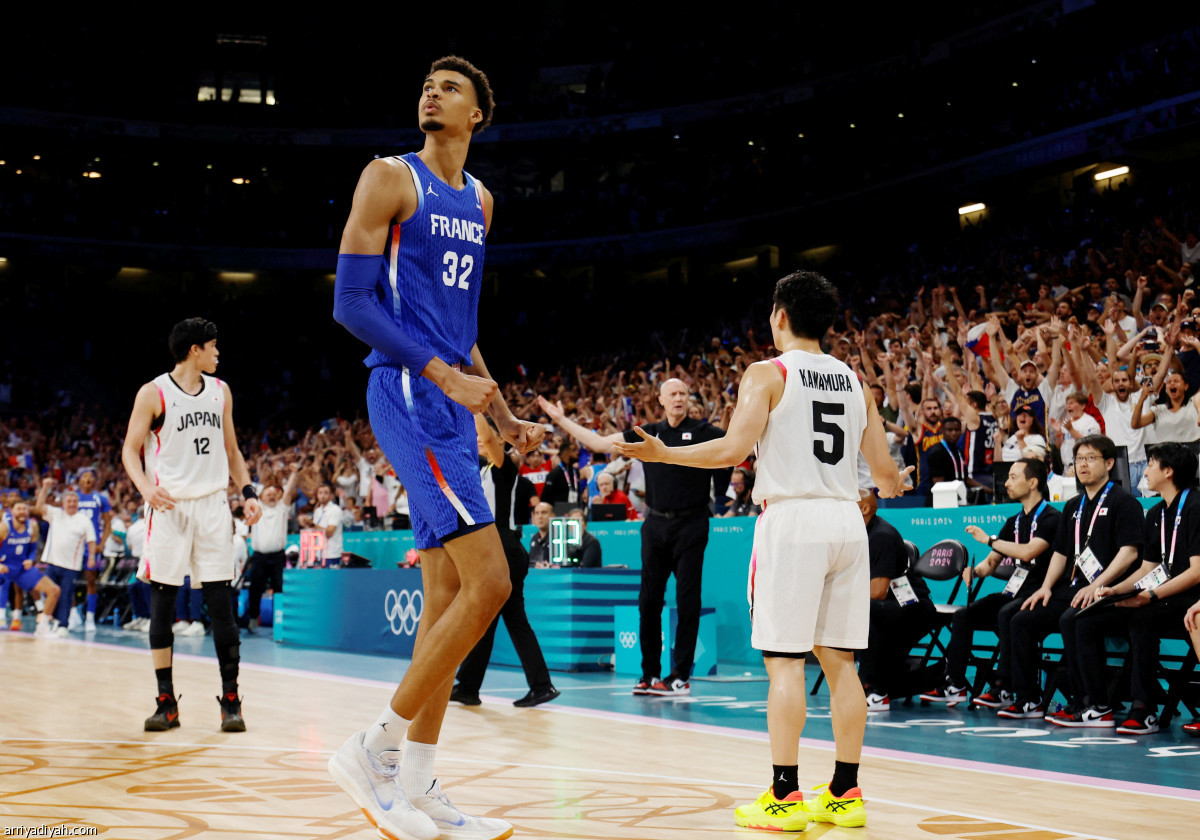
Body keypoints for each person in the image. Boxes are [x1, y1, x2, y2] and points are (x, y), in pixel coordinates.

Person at [613, 270, 912, 832]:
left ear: (780, 316)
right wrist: (894, 483)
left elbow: (731, 449)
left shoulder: (768, 373)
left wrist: (663, 453)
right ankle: (845, 792)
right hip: (847, 521)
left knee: (785, 664)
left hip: (793, 520)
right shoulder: (856, 381)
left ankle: (784, 796)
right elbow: (885, 474)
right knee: (842, 664)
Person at [329, 55, 542, 840]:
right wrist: (444, 377)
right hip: (408, 389)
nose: (432, 92)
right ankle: (373, 749)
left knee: (449, 597)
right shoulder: (390, 178)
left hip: (448, 395)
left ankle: (416, 779)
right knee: (492, 582)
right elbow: (351, 304)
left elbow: (461, 327)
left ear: (477, 114)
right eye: (427, 84)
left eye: (450, 88)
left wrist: (502, 411)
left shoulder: (480, 200)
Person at [539, 376, 727, 698]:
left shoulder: (704, 432)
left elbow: (737, 446)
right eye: (672, 393)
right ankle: (649, 674)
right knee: (648, 602)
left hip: (692, 524)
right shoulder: (647, 434)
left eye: (683, 393)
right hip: (654, 525)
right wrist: (560, 420)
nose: (678, 398)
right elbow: (599, 444)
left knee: (687, 600)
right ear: (660, 400)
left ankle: (680, 677)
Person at [120, 317, 263, 733]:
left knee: (221, 605)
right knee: (163, 604)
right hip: (169, 507)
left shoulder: (221, 391)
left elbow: (232, 451)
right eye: (213, 346)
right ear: (194, 349)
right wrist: (146, 487)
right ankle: (166, 702)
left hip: (214, 507)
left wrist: (248, 492)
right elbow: (130, 450)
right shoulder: (153, 392)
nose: (218, 353)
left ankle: (231, 700)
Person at [1014, 434, 1144, 725]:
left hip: (1112, 590)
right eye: (1079, 459)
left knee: (1074, 620)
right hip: (1076, 589)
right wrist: (1046, 587)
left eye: (1090, 458)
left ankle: (1095, 704)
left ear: (1109, 463)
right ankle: (1028, 699)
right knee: (1022, 617)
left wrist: (1097, 586)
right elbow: (1061, 553)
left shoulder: (1124, 502)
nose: (1082, 465)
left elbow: (1130, 553)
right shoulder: (1073, 505)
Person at [1077, 443, 1200, 734]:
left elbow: (1196, 572)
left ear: (1168, 471)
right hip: (1162, 596)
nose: (1144, 472)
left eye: (1151, 464)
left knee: (1142, 619)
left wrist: (1151, 596)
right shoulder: (1155, 513)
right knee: (1088, 618)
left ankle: (1143, 709)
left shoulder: (1195, 506)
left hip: (1189, 597)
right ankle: (1095, 704)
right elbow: (1148, 569)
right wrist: (1116, 590)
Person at [921, 458, 1060, 713]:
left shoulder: (1052, 518)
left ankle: (1004, 687)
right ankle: (955, 683)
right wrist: (974, 571)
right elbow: (991, 563)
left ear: (1032, 482)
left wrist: (989, 539)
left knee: (1007, 613)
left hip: (1041, 593)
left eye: (1013, 477)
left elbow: (1028, 552)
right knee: (964, 615)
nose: (1006, 483)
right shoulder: (1014, 521)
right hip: (1016, 592)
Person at [450, 414, 557, 709]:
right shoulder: (480, 470)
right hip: (493, 549)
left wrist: (475, 408)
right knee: (492, 620)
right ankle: (469, 687)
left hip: (504, 549)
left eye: (482, 436)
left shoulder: (504, 468)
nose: (477, 439)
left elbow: (487, 437)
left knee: (505, 621)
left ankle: (539, 685)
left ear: (499, 441)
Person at [857, 489, 934, 711]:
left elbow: (877, 592)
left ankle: (875, 690)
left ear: (864, 508)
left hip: (912, 606)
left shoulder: (881, 536)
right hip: (888, 605)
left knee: (864, 610)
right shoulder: (856, 535)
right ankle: (866, 683)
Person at [31, 478, 98, 638]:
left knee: (66, 596)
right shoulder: (56, 514)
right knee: (50, 593)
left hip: (71, 566)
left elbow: (91, 540)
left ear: (78, 503)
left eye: (74, 501)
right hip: (52, 562)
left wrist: (92, 557)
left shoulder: (84, 520)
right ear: (63, 503)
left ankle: (62, 624)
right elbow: (39, 507)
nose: (72, 504)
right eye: (69, 501)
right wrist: (45, 488)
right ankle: (50, 621)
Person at [243, 465, 299, 630]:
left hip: (277, 557)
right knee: (255, 589)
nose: (272, 496)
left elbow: (288, 491)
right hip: (259, 556)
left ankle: (279, 621)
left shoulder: (282, 508)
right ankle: (253, 618)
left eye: (275, 494)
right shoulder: (256, 508)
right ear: (261, 496)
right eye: (269, 494)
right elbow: (248, 489)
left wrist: (294, 473)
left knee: (279, 588)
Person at [0, 499, 60, 637]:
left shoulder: (32, 525)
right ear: (12, 511)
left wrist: (30, 559)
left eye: (25, 509)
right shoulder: (4, 527)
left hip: (21, 568)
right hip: (4, 567)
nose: (22, 512)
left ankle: (43, 627)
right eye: (19, 509)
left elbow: (33, 548)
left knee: (54, 590)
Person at [75, 468, 113, 632]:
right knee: (68, 580)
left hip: (92, 545)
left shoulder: (100, 498)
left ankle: (90, 618)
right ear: (79, 480)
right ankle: (73, 614)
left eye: (91, 476)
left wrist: (102, 544)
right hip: (75, 544)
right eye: (85, 476)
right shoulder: (73, 498)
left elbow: (108, 524)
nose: (88, 479)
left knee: (91, 581)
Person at [299, 482, 343, 567]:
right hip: (318, 553)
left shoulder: (335, 510)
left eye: (326, 493)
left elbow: (330, 532)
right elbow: (315, 530)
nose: (322, 495)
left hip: (331, 553)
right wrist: (306, 524)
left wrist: (312, 524)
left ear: (331, 496)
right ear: (317, 495)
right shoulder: (317, 511)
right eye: (320, 493)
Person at [528, 501, 552, 567]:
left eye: (544, 513)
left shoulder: (558, 538)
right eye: (537, 513)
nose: (540, 517)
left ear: (552, 515)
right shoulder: (535, 538)